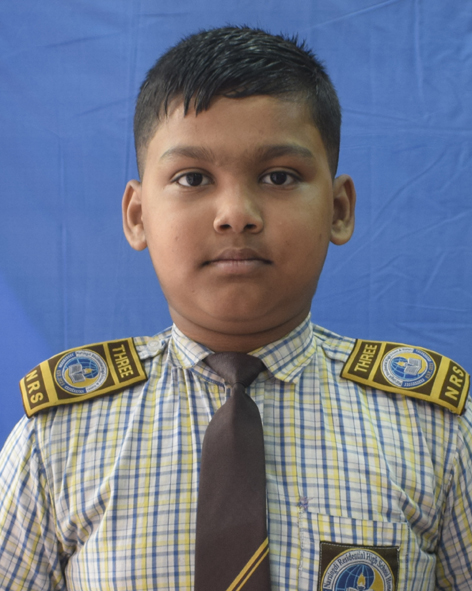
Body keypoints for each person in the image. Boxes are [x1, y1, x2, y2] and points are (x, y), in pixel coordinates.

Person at [0, 26, 471, 591]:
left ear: (339, 209)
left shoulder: (435, 433)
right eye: (193, 178)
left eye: (279, 176)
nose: (236, 214)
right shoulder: (58, 439)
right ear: (138, 216)